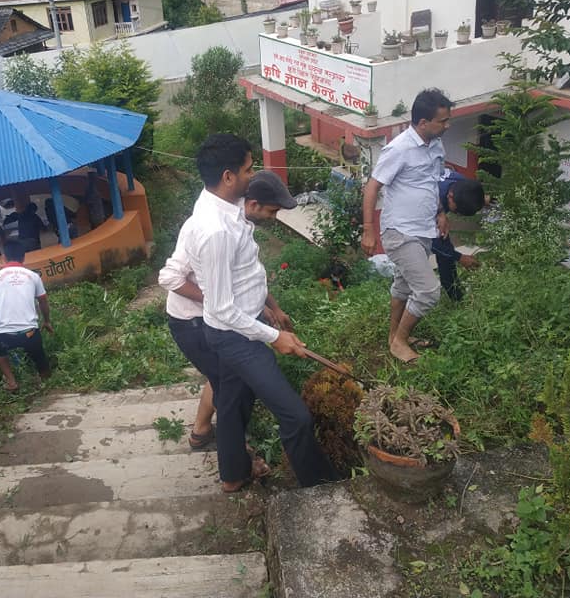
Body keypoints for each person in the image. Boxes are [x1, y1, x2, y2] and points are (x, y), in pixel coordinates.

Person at [176, 133, 338, 492]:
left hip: (243, 328)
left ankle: (233, 476)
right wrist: (275, 337)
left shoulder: (229, 207)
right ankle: (321, 488)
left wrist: (270, 309)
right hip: (235, 337)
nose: (253, 176)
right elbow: (220, 310)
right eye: (249, 169)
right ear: (228, 176)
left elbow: (245, 274)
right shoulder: (215, 231)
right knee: (296, 416)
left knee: (232, 403)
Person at [159, 170, 296, 456]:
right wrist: (217, 299)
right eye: (272, 212)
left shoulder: (239, 223)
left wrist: (272, 307)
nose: (273, 218)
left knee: (223, 378)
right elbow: (169, 277)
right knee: (230, 386)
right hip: (193, 323)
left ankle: (201, 431)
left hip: (222, 319)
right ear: (253, 204)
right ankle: (238, 455)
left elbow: (248, 275)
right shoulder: (209, 230)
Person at [361, 88, 451, 363]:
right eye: (443, 121)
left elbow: (431, 182)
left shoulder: (436, 145)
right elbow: (372, 187)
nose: (447, 125)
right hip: (400, 231)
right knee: (428, 291)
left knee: (403, 286)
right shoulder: (399, 149)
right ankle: (399, 342)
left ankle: (393, 337)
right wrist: (368, 229)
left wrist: (441, 212)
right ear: (423, 123)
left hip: (424, 229)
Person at [0, 239, 53, 392]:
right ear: (23, 257)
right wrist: (47, 321)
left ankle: (11, 381)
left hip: (5, 335)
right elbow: (43, 301)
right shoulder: (33, 276)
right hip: (30, 333)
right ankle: (46, 380)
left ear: (4, 257)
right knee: (39, 355)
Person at [432, 170, 485, 301]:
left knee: (445, 250)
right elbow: (431, 241)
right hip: (406, 222)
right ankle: (456, 297)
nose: (457, 214)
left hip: (434, 206)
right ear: (450, 196)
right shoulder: (432, 200)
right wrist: (460, 257)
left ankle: (455, 295)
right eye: (457, 211)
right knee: (441, 248)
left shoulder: (461, 184)